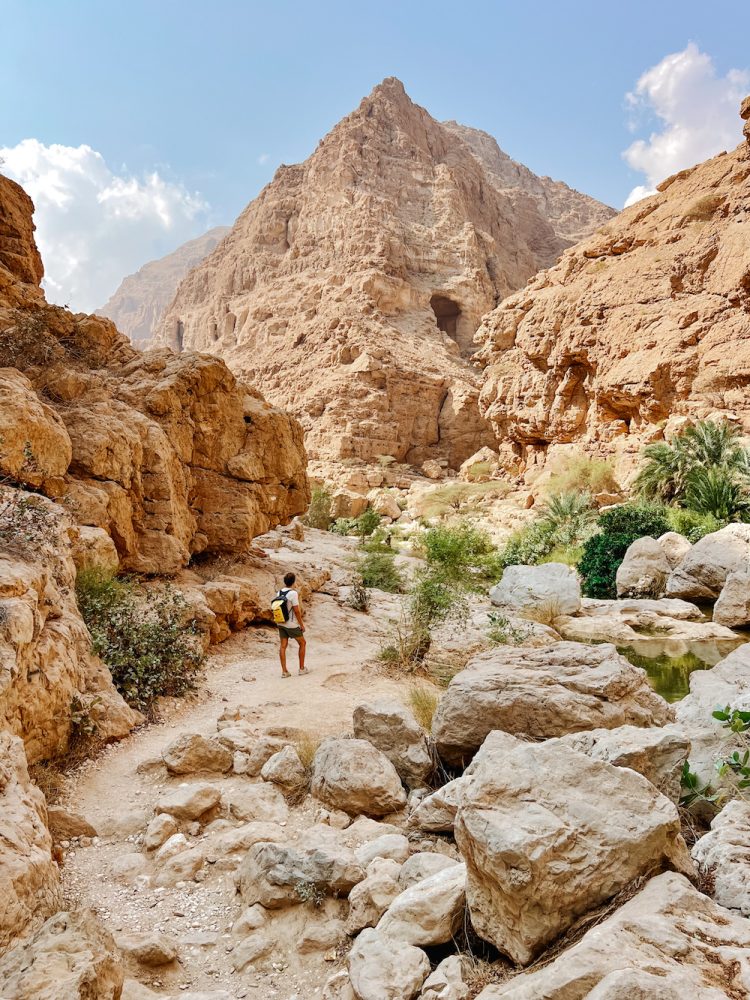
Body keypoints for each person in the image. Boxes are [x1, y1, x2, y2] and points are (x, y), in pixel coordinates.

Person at [276, 572, 308, 678]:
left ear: (285, 582)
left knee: (283, 646)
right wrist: (301, 624)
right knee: (302, 643)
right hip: (291, 624)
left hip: (280, 622)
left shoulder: (279, 592)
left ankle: (284, 672)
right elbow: (297, 611)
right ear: (294, 582)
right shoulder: (293, 593)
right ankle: (302, 669)